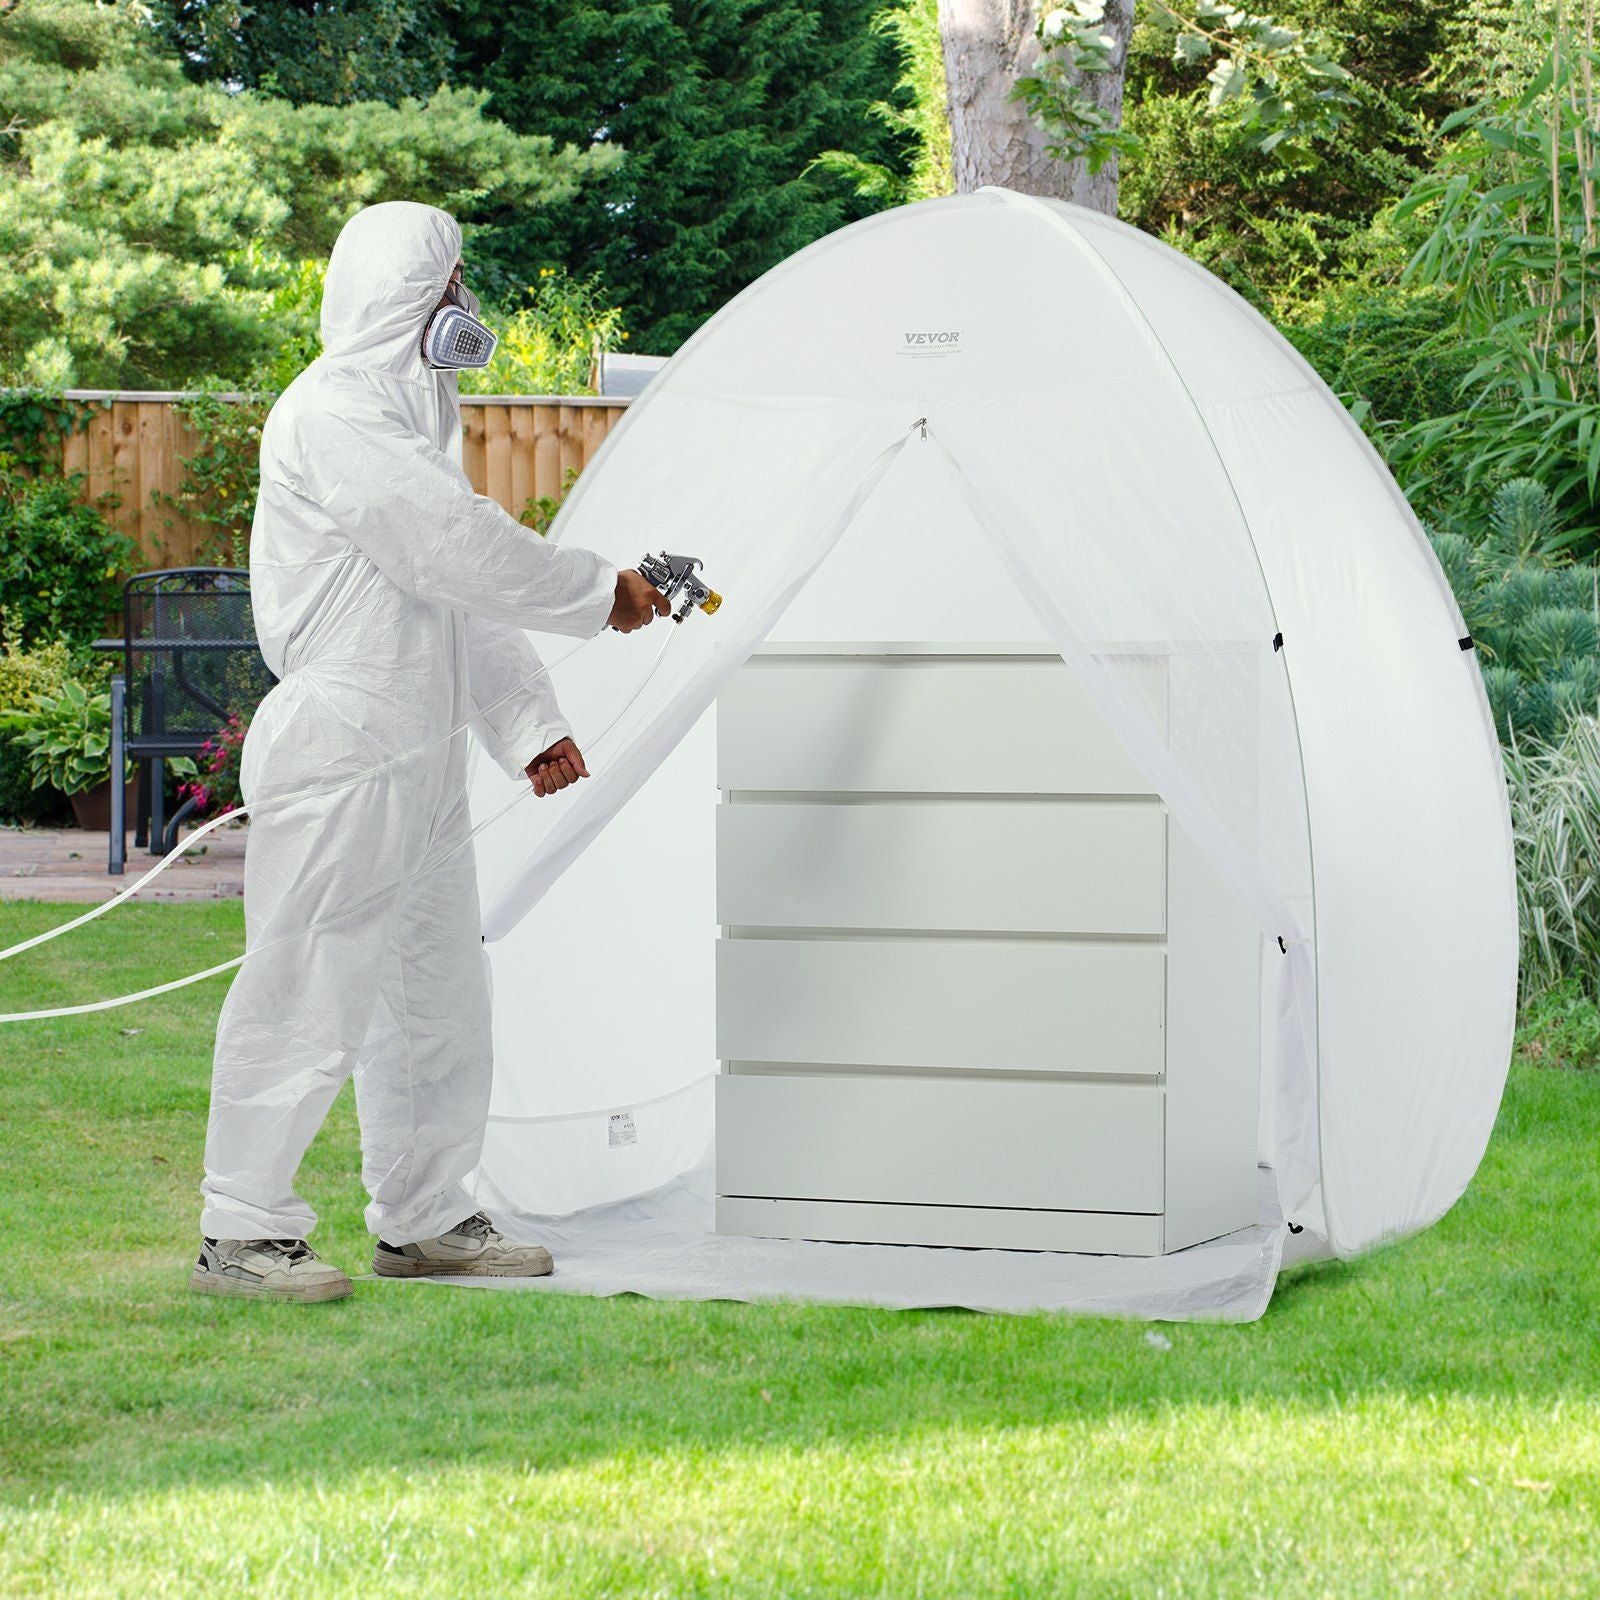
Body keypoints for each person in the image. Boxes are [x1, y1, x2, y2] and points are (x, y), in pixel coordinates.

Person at [189, 202, 668, 1304]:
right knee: (308, 985)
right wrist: (602, 591)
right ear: (407, 296)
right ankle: (241, 1229)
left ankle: (425, 1218)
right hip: (345, 750)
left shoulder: (408, 423)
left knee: (438, 995)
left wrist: (528, 724)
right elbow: (453, 546)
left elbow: (450, 592)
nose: (465, 303)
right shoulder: (332, 414)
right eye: (451, 283)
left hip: (418, 749)